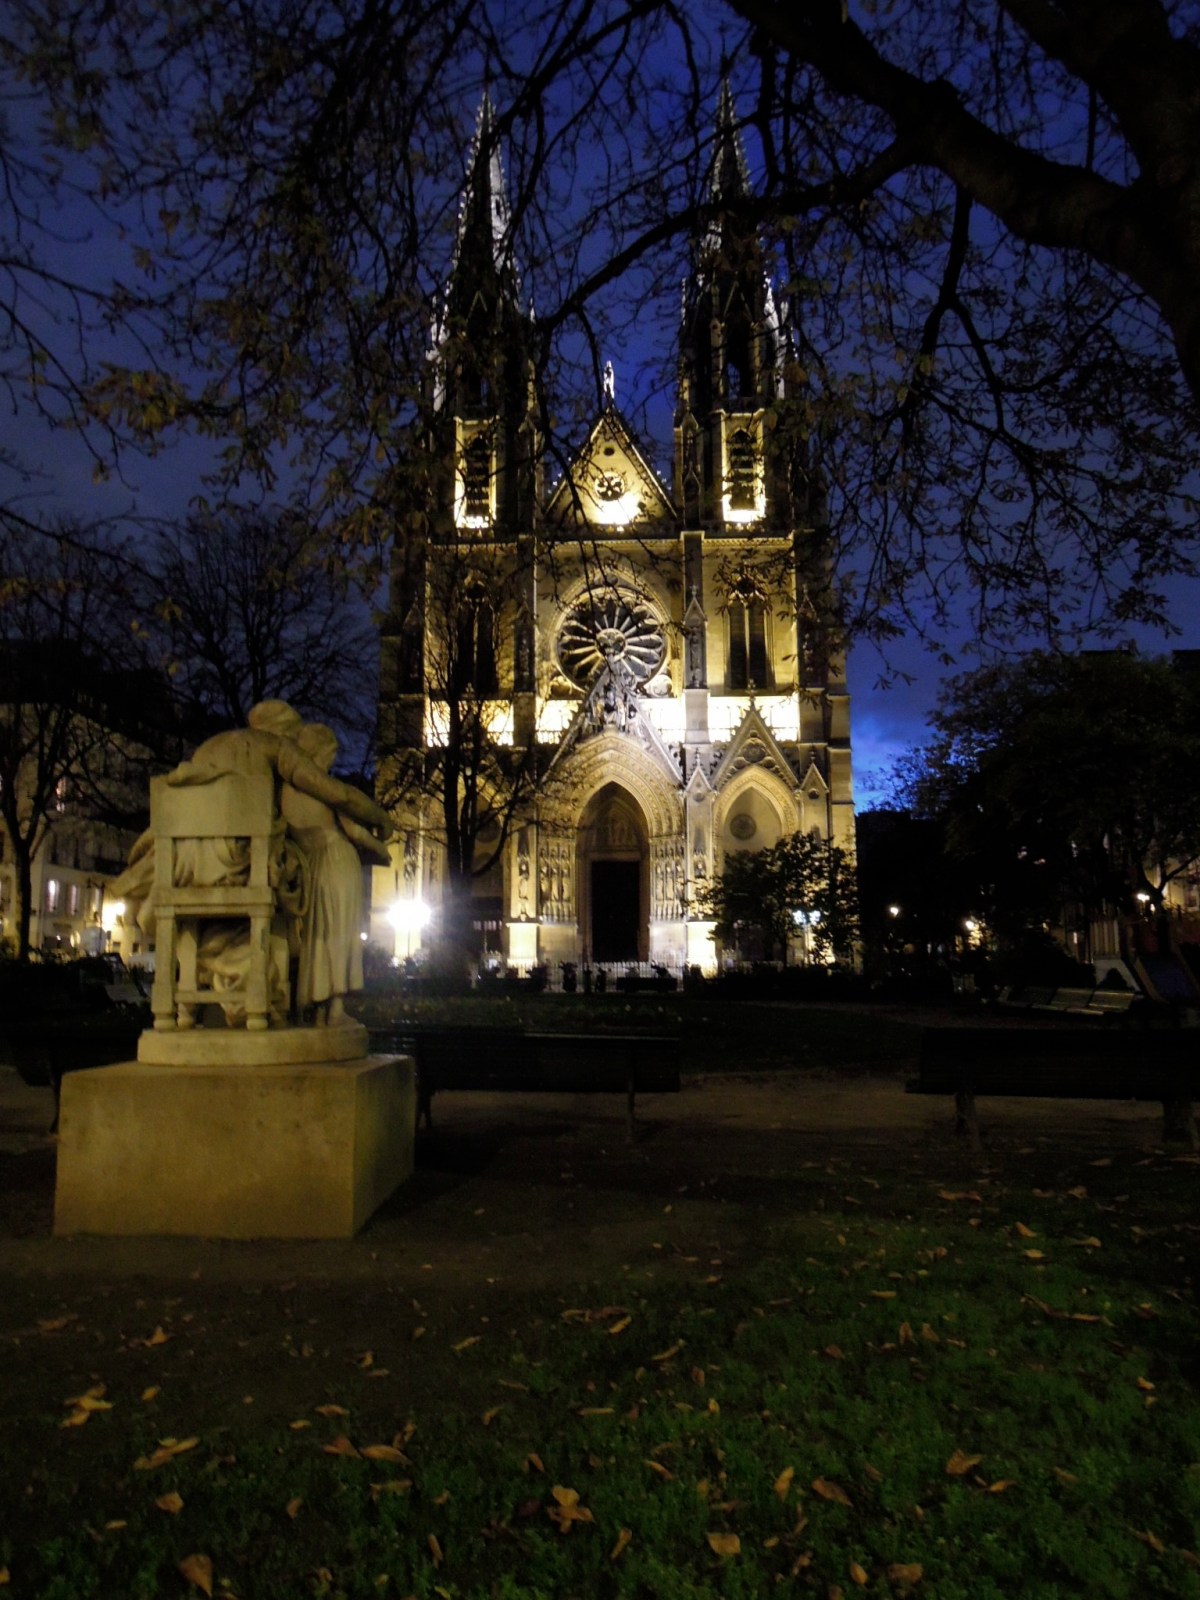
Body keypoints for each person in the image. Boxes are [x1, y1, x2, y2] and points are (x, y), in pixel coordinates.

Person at [281, 723, 391, 1026]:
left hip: (312, 865)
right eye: (330, 755)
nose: (331, 763)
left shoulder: (285, 794)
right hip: (338, 861)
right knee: (340, 934)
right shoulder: (322, 788)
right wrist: (381, 848)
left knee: (319, 934)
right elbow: (355, 830)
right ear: (317, 752)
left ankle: (317, 1008)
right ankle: (336, 1008)